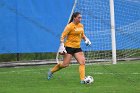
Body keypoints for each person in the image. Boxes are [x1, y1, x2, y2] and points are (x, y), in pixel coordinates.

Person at [48, 12, 91, 84]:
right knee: (65, 64)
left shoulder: (81, 25)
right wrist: (62, 45)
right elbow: (62, 36)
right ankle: (51, 71)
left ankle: (82, 80)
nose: (80, 19)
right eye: (79, 17)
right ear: (74, 18)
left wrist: (86, 39)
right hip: (69, 47)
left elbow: (82, 35)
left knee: (82, 62)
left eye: (81, 17)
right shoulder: (69, 26)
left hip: (77, 48)